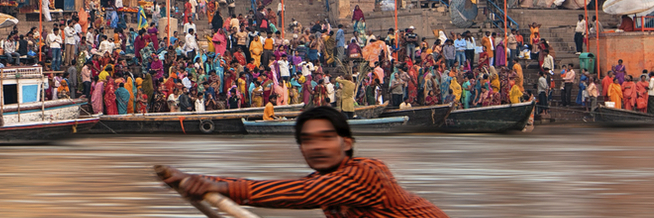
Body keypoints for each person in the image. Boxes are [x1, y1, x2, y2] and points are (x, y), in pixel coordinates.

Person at [160, 106, 449, 217]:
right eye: (308, 141)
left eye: (326, 137)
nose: (316, 147)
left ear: (346, 143)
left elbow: (300, 194)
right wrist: (202, 183)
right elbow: (300, 188)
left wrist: (215, 185)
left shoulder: (367, 172)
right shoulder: (326, 184)